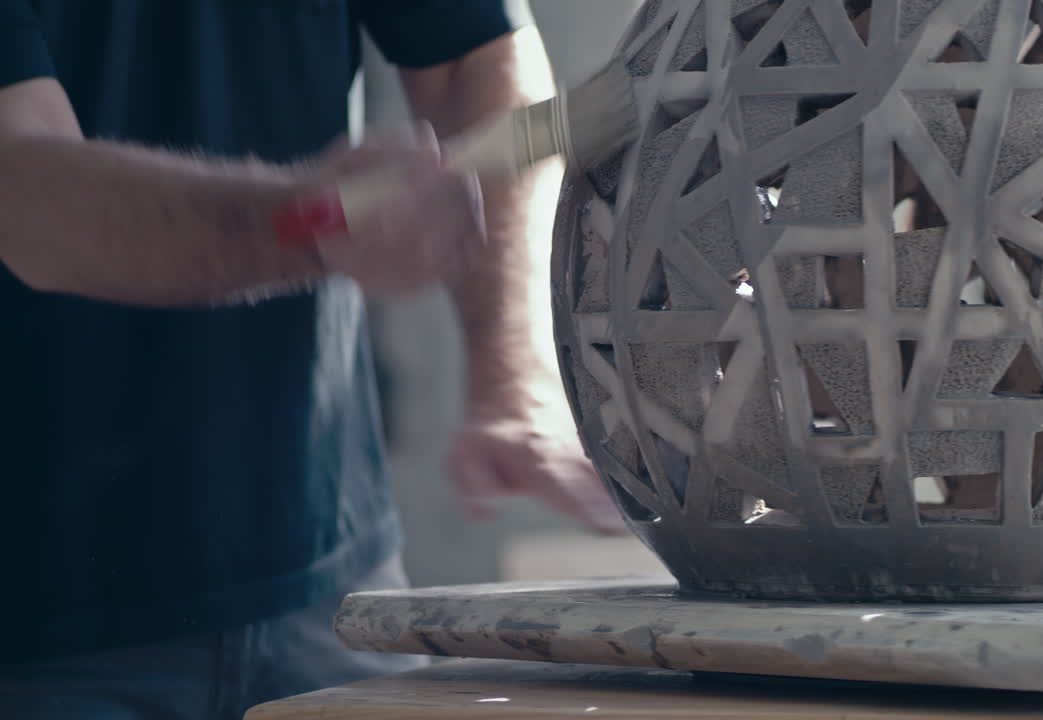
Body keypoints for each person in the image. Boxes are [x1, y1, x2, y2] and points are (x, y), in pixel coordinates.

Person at [0, 1, 623, 717]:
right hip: (41, 635)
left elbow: (471, 61)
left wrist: (512, 371)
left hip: (336, 590)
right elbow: (26, 190)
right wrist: (313, 227)